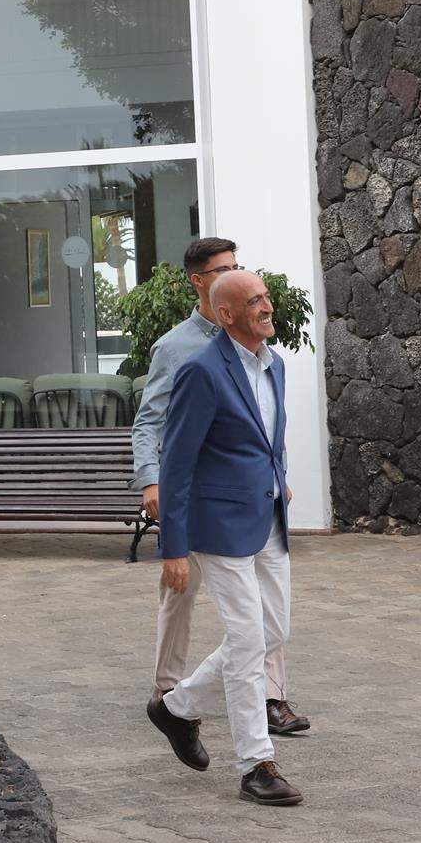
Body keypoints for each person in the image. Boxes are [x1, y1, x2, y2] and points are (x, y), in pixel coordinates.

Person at [133, 239, 311, 737]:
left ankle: (269, 696)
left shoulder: (269, 356)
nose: (234, 273)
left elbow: (264, 430)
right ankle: (168, 689)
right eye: (223, 269)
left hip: (256, 503)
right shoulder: (179, 350)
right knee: (181, 594)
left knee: (264, 622)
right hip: (196, 502)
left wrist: (277, 479)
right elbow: (151, 423)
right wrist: (151, 480)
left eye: (238, 267)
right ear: (200, 281)